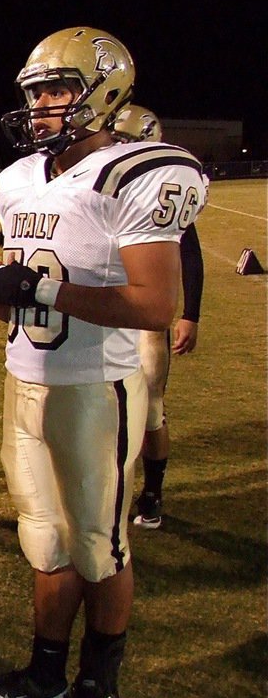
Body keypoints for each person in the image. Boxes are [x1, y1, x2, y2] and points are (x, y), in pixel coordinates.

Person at [0, 27, 206, 698]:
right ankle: (44, 675)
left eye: (57, 89)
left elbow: (154, 304)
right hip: (25, 379)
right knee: (45, 541)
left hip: (96, 385)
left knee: (100, 547)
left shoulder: (134, 171)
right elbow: (24, 300)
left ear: (104, 92)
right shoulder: (19, 179)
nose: (41, 105)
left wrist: (37, 284)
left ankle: (98, 679)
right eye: (34, 92)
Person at [111, 104, 205, 528]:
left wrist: (191, 314)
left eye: (127, 143)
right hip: (108, 308)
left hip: (144, 319)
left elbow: (190, 251)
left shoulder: (159, 188)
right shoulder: (100, 182)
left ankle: (152, 493)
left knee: (149, 407)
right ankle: (110, 489)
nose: (118, 150)